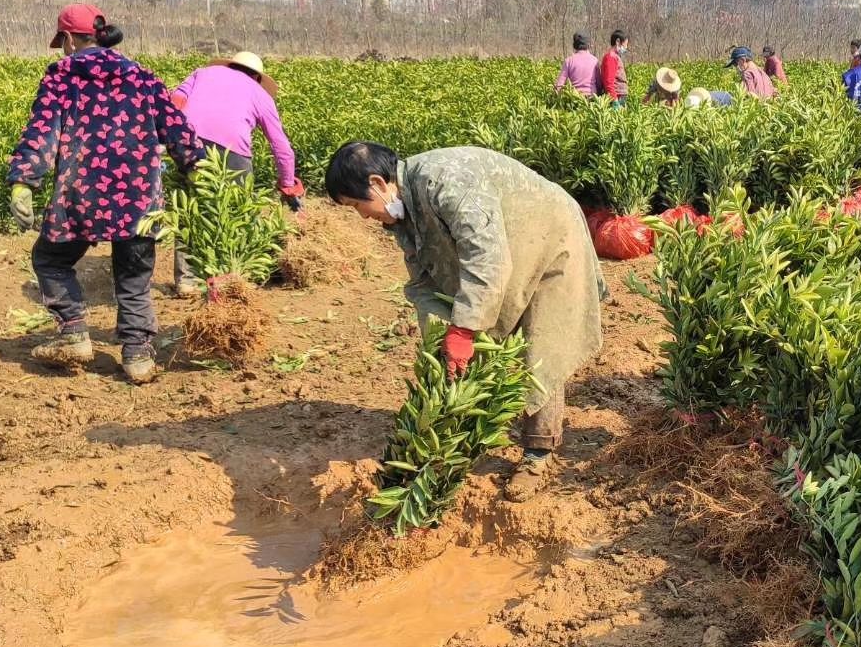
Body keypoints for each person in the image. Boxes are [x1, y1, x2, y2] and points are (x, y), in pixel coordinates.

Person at [323, 143, 604, 501]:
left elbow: (487, 258)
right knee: (474, 341)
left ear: (378, 183)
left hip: (550, 241)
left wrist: (463, 327)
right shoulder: (403, 215)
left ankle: (538, 454)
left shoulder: (446, 181)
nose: (362, 216)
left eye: (356, 206)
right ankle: (471, 434)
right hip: (512, 251)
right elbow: (424, 281)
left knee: (539, 348)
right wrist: (440, 339)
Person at [7, 3, 203, 383]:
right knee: (133, 277)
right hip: (139, 198)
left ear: (66, 38)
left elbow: (42, 131)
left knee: (50, 259)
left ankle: (74, 332)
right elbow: (177, 128)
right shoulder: (141, 75)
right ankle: (137, 355)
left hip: (81, 195)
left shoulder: (62, 75)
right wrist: (197, 167)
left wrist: (24, 180)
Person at [170, 51, 303, 297]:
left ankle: (187, 280)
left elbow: (175, 101)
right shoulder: (259, 93)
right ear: (256, 76)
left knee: (190, 209)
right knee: (237, 212)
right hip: (231, 151)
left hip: (185, 142)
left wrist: (171, 137)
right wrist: (287, 184)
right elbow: (281, 147)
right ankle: (232, 275)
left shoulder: (202, 73)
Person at [554, 32, 600, 98]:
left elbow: (560, 83)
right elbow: (599, 83)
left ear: (575, 45)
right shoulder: (595, 60)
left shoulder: (569, 61)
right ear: (587, 45)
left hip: (575, 99)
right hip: (592, 98)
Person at [598, 30, 629, 106]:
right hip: (617, 96)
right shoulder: (611, 57)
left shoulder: (615, 56)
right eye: (625, 44)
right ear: (618, 41)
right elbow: (609, 81)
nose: (626, 47)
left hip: (619, 95)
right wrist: (614, 99)